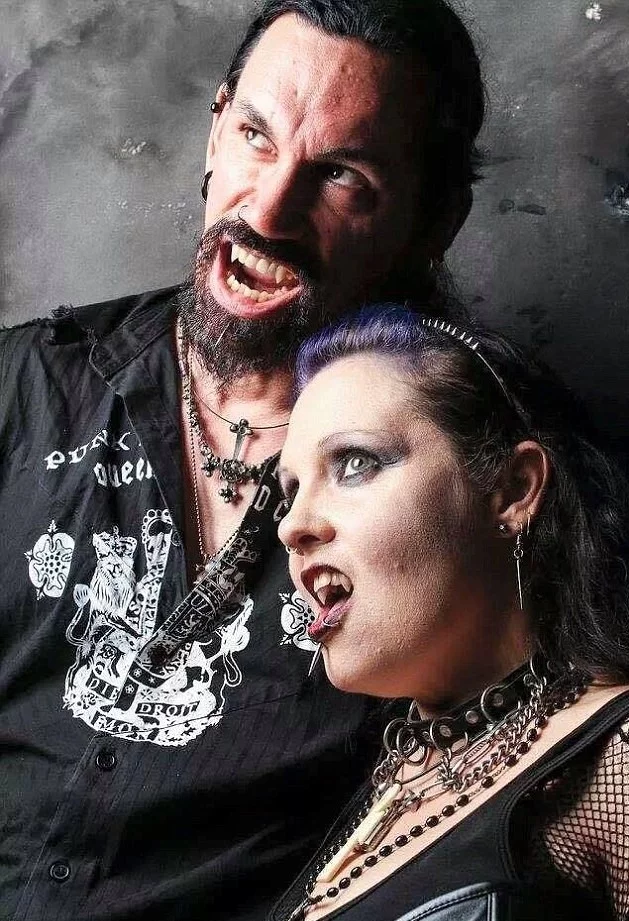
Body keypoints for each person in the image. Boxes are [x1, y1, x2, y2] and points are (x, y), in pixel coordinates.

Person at [0, 2, 486, 920]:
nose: (266, 211)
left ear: (433, 220)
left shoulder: (471, 485)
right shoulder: (26, 386)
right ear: (216, 127)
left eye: (340, 175)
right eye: (256, 136)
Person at [274, 304, 629, 921]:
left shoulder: (612, 759)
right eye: (291, 490)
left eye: (355, 463)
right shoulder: (399, 777)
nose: (292, 526)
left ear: (513, 489)